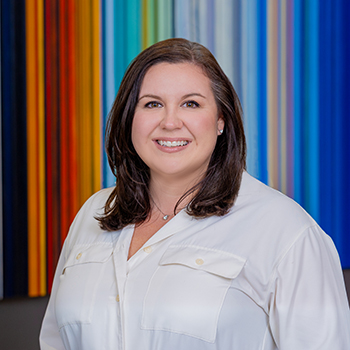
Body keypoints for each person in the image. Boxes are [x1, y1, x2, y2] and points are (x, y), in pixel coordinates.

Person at [40, 38, 350, 350]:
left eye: (191, 103)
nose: (170, 122)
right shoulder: (93, 213)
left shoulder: (286, 231)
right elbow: (54, 342)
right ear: (129, 119)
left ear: (221, 120)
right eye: (152, 104)